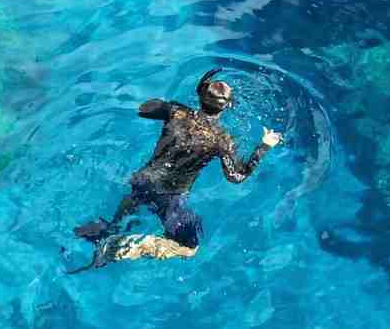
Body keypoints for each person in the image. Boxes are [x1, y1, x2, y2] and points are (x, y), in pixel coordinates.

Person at [69, 68, 281, 272]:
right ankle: (125, 247)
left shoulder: (176, 112)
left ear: (200, 96)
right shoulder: (222, 140)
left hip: (142, 180)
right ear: (226, 107)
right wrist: (263, 146)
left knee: (122, 217)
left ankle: (100, 232)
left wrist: (171, 106)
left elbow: (143, 109)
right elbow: (236, 177)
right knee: (190, 249)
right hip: (169, 196)